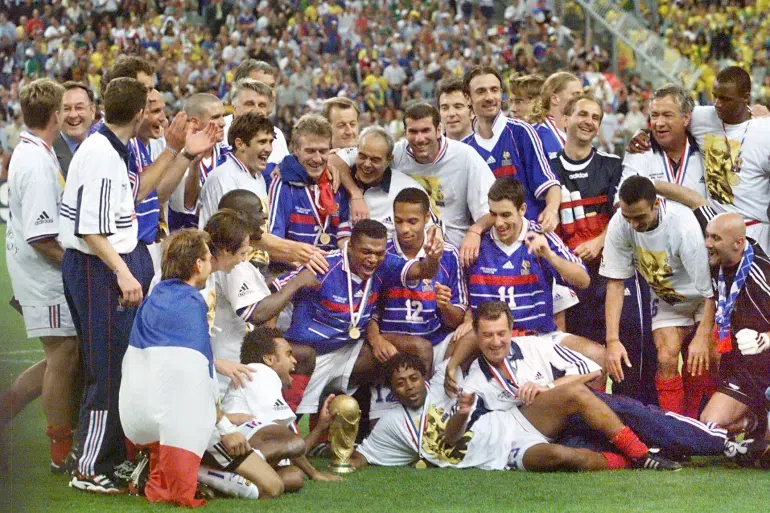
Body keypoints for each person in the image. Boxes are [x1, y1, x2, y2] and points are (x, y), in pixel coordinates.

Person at [59, 77, 154, 493]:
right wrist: (123, 270)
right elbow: (90, 230)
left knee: (112, 362)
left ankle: (107, 456)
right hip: (95, 267)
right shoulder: (101, 154)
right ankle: (89, 465)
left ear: (101, 109)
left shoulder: (109, 148)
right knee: (107, 366)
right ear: (137, 115)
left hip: (96, 265)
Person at [449, 301, 682, 471]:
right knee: (560, 457)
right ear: (477, 338)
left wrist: (549, 387)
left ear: (511, 331)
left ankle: (640, 454)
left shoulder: (532, 346)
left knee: (587, 396)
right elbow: (456, 436)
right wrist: (460, 411)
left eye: (501, 333)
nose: (496, 341)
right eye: (487, 335)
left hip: (550, 418)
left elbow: (593, 369)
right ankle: (627, 462)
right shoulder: (474, 380)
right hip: (513, 444)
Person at [275, 219, 445, 416]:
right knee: (288, 417)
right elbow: (273, 291)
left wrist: (433, 258)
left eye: (379, 253)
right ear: (350, 247)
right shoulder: (324, 265)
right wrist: (272, 340)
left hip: (348, 349)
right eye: (366, 252)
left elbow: (422, 271)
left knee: (414, 350)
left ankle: (419, 420)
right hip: (310, 355)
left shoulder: (385, 264)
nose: (373, 259)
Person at [550, 94, 657, 404]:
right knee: (584, 364)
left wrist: (599, 241)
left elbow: (623, 213)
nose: (588, 121)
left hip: (611, 278)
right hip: (570, 283)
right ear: (565, 119)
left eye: (595, 117)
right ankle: (593, 431)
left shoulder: (611, 166)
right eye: (582, 113)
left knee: (626, 357)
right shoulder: (547, 168)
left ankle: (639, 424)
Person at [654, 182, 770, 437]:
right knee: (710, 424)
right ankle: (755, 422)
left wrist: (765, 339)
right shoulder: (720, 253)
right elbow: (694, 199)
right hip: (744, 368)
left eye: (714, 238)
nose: (707, 243)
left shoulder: (762, 277)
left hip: (767, 364)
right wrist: (649, 186)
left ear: (738, 243)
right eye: (707, 235)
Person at [4, 79, 79, 473]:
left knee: (64, 355)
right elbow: (41, 237)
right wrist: (77, 270)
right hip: (44, 277)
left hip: (40, 274)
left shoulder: (36, 152)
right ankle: (60, 451)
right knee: (62, 355)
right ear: (55, 114)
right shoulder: (35, 162)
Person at [601, 176, 715, 417]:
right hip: (668, 299)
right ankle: (675, 431)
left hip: (704, 297)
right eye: (627, 217)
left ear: (656, 204)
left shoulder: (683, 226)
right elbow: (615, 283)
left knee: (704, 360)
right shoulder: (620, 224)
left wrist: (702, 336)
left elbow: (711, 291)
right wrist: (612, 340)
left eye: (639, 217)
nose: (633, 224)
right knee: (665, 357)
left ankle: (696, 426)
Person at [119, 229, 218, 506]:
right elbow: (196, 362)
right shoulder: (192, 302)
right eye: (208, 259)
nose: (210, 266)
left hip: (138, 406)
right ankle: (179, 487)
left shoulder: (153, 298)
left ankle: (156, 478)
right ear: (198, 264)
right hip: (173, 410)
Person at [331, 102, 496, 262]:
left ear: (439, 130)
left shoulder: (465, 157)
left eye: (425, 131)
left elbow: (493, 208)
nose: (419, 139)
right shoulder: (391, 151)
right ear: (405, 133)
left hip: (455, 251)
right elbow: (334, 159)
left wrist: (475, 231)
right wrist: (356, 193)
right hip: (407, 255)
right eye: (413, 131)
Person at [630, 67, 770, 254]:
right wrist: (643, 132)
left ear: (746, 97)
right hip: (713, 229)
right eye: (715, 96)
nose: (718, 104)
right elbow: (670, 121)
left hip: (752, 231)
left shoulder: (765, 131)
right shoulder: (704, 116)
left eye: (725, 99)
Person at [367, 188, 467, 420]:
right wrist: (377, 339)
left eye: (412, 221)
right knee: (382, 431)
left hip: (435, 341)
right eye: (399, 221)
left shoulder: (449, 254)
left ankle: (444, 404)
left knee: (471, 336)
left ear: (427, 218)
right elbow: (367, 309)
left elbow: (458, 316)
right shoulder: (381, 252)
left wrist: (445, 307)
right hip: (392, 341)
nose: (404, 229)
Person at [205, 327, 340, 498]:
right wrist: (313, 472)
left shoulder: (265, 380)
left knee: (294, 476)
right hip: (229, 443)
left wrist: (320, 428)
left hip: (241, 445)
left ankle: (222, 482)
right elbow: (289, 440)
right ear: (269, 359)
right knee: (289, 441)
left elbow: (292, 449)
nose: (294, 361)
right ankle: (219, 472)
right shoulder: (260, 372)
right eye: (288, 354)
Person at [462, 66, 561, 233]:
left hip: (527, 239)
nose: (489, 97)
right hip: (488, 246)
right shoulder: (465, 149)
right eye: (480, 91)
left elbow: (550, 184)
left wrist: (551, 210)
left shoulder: (522, 132)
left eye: (494, 90)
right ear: (468, 97)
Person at [268, 114, 351, 252]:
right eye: (310, 151)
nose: (318, 159)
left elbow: (344, 235)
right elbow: (275, 242)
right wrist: (306, 260)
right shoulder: (283, 184)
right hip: (293, 268)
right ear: (295, 149)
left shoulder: (337, 181)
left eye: (323, 151)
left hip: (332, 267)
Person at [619, 84, 706, 200]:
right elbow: (622, 202)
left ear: (686, 118)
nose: (659, 123)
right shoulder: (639, 149)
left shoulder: (705, 149)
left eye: (667, 115)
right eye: (654, 116)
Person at [345, 126, 426, 239]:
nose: (367, 164)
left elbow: (428, 231)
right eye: (362, 156)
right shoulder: (339, 179)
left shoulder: (408, 189)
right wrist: (355, 194)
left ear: (389, 160)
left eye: (375, 160)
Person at [168, 93, 228, 231]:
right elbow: (186, 205)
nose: (223, 123)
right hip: (186, 242)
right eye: (215, 117)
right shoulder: (175, 158)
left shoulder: (229, 155)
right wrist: (194, 165)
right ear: (194, 122)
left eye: (223, 116)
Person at [531, 72, 583, 158]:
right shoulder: (534, 135)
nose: (582, 100)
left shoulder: (579, 134)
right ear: (554, 99)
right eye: (575, 94)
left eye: (582, 95)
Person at [54, 81, 95, 177]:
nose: (73, 115)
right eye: (66, 109)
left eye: (79, 108)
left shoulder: (104, 149)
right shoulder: (48, 152)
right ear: (57, 114)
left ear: (92, 111)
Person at [436, 77, 472, 141]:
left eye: (458, 107)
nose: (451, 113)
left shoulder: (488, 148)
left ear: (472, 111)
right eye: (445, 108)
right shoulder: (431, 149)